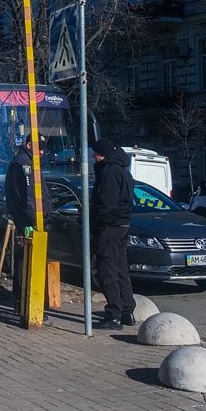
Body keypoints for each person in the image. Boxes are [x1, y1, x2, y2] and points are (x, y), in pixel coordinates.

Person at [90, 138, 136, 330]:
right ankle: (127, 312)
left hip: (110, 225)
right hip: (122, 224)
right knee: (120, 268)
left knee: (107, 269)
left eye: (95, 153)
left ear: (102, 154)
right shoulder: (123, 170)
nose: (93, 156)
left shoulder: (109, 172)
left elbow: (106, 203)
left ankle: (114, 315)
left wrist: (96, 218)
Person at [3, 136, 44, 315]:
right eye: (39, 148)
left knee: (26, 258)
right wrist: (34, 218)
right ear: (29, 145)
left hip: (28, 219)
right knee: (26, 260)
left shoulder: (26, 162)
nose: (42, 152)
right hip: (28, 221)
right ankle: (24, 301)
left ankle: (23, 301)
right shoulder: (23, 164)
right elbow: (28, 196)